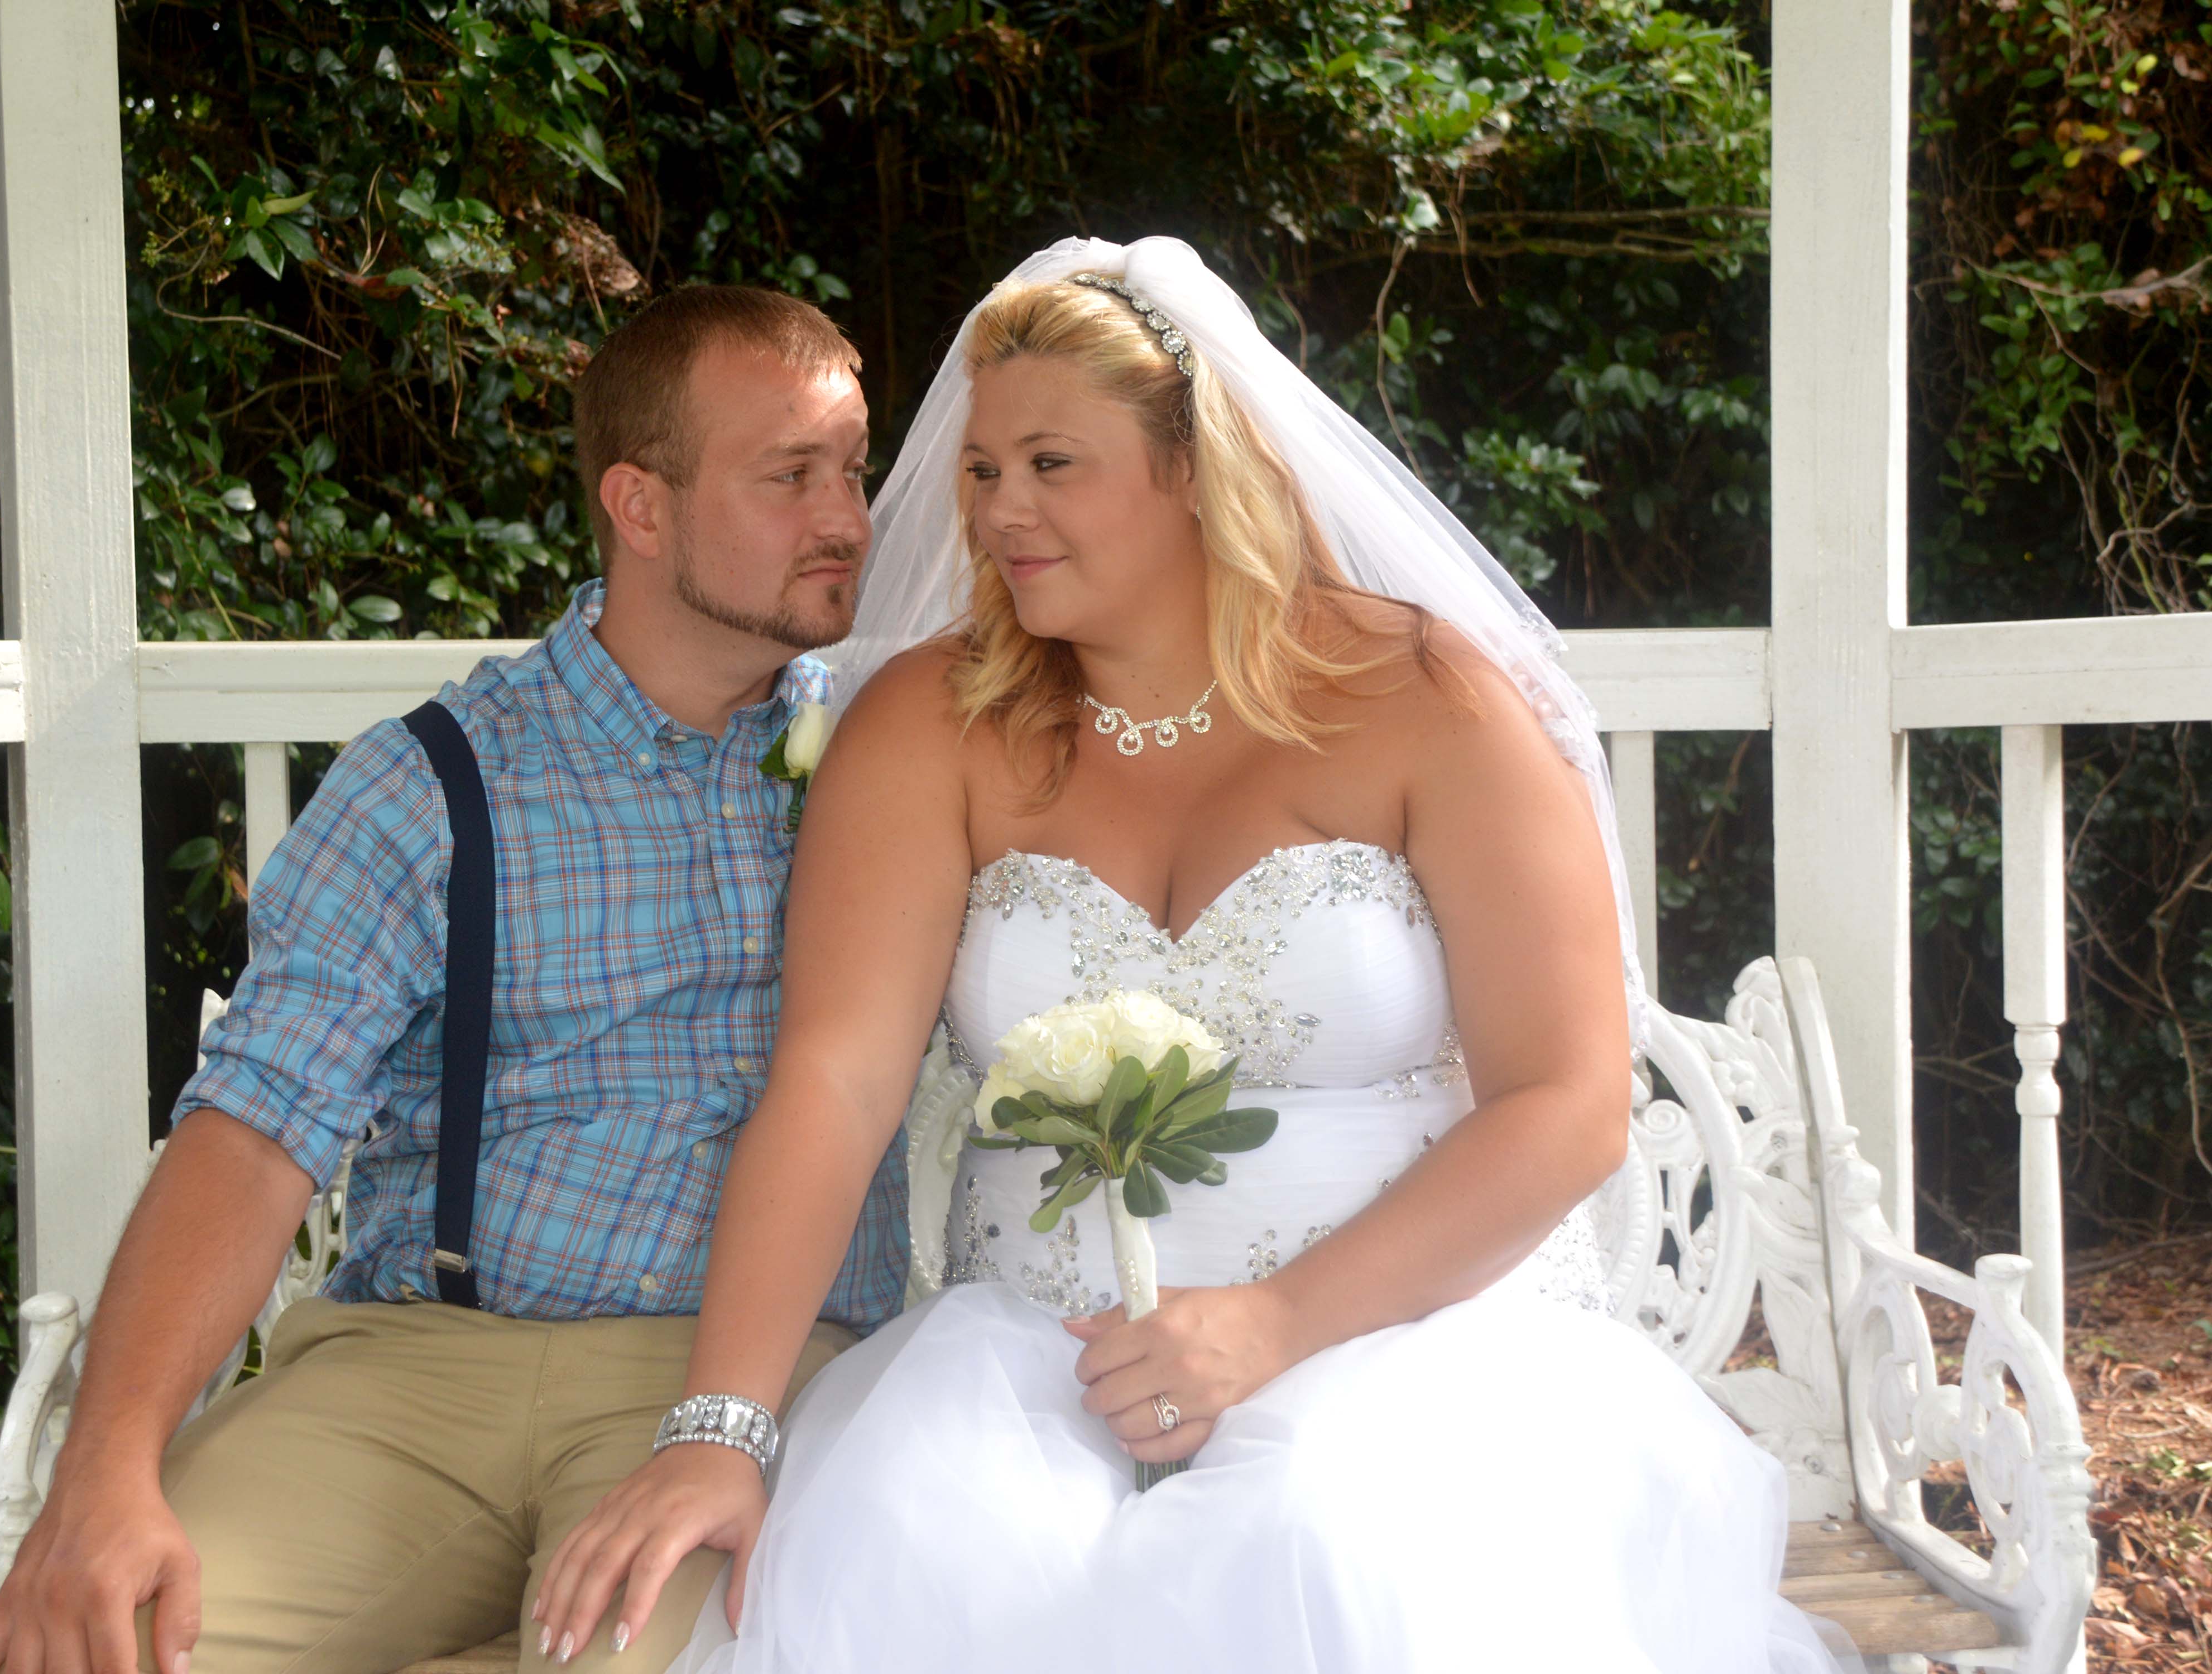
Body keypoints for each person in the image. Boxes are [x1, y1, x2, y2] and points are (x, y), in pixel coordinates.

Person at [530, 238, 1858, 1672]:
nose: (998, 513)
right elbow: (837, 1082)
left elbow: (1570, 1101)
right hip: (1030, 1374)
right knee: (935, 1560)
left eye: (1054, 464)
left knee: (1329, 1558)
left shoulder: (1421, 698)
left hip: (1405, 1357)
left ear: (1195, 466)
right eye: (982, 471)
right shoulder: (929, 721)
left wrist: (1273, 1326)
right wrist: (719, 1431)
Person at [0, 283, 905, 1674]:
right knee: (104, 1647)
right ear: (639, 507)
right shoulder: (433, 782)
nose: (845, 519)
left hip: (736, 1380)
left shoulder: (900, 762)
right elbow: (255, 1126)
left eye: (853, 470)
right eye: (790, 477)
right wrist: (107, 1468)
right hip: (414, 1373)